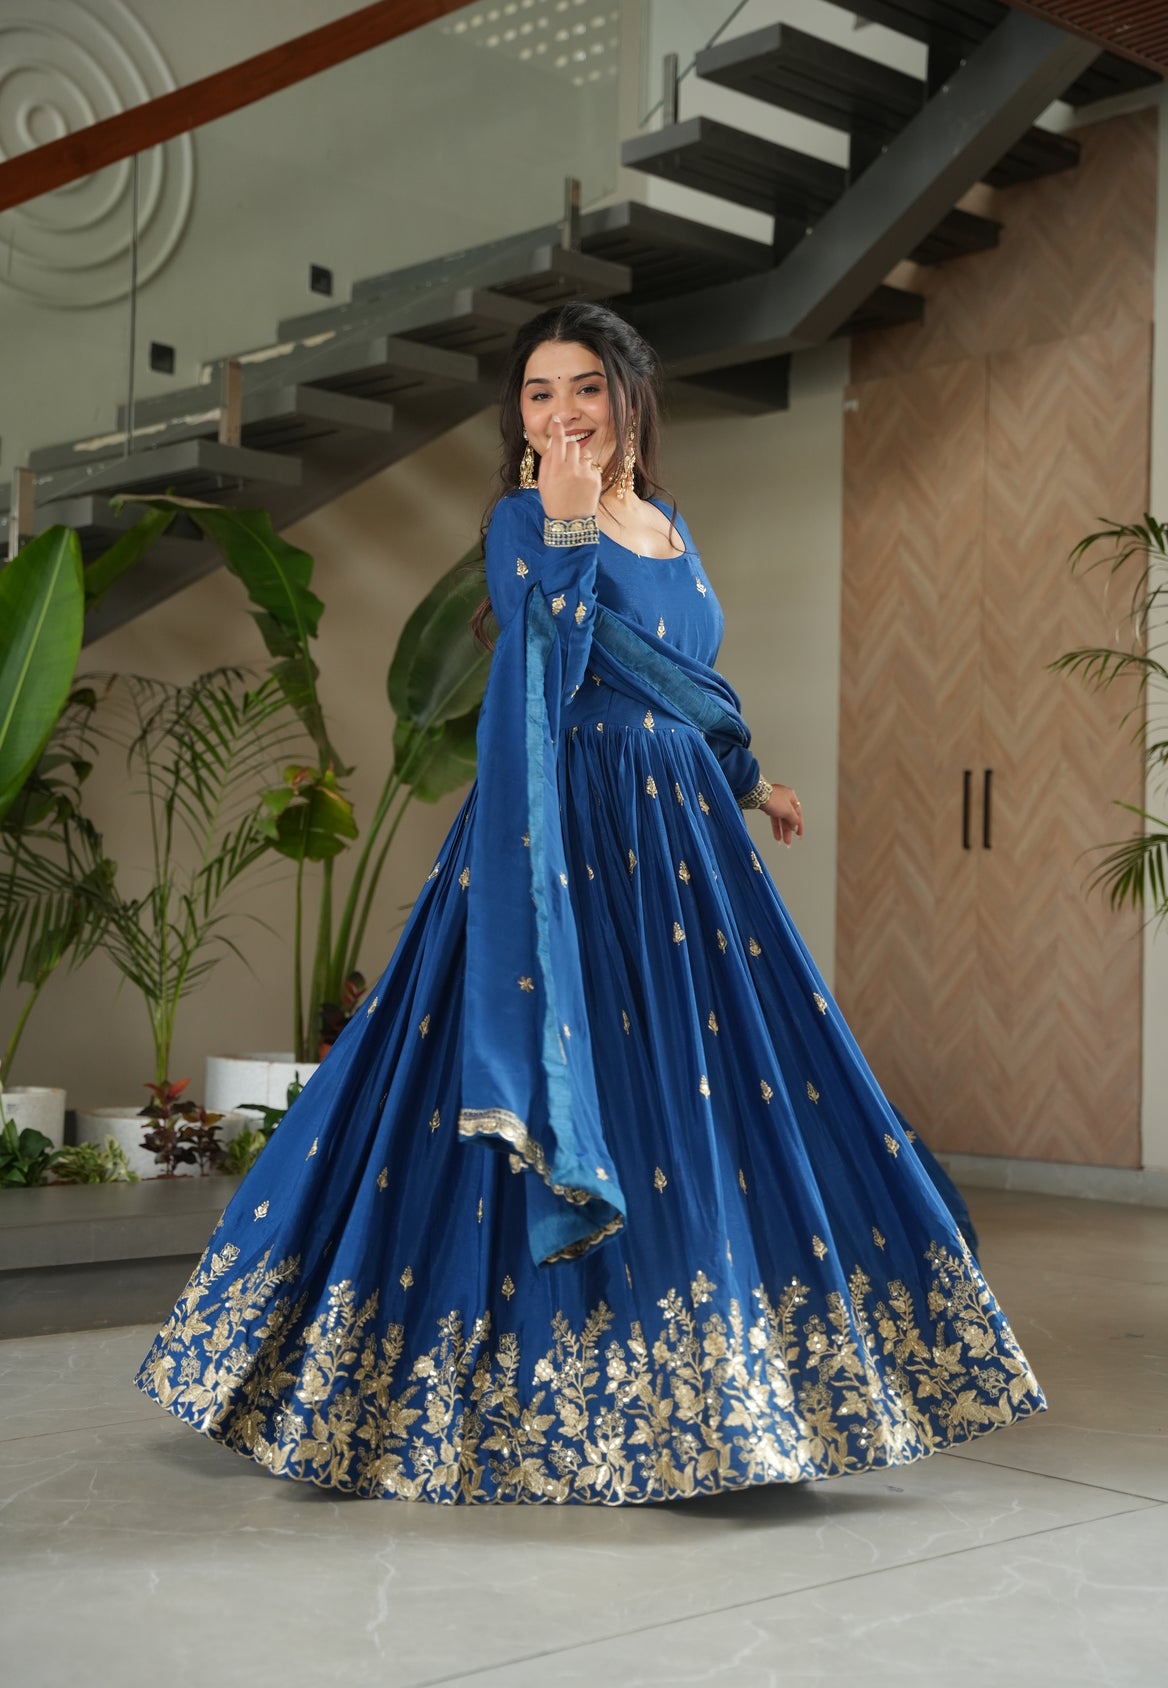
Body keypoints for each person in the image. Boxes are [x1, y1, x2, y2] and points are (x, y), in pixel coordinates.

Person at [135, 302, 1045, 1502]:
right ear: (519, 420)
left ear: (628, 398)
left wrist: (749, 780)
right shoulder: (524, 522)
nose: (561, 412)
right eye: (537, 394)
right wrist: (563, 534)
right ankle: (407, 1385)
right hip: (559, 845)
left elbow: (689, 687)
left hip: (685, 845)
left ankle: (730, 1396)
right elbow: (544, 675)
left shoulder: (671, 525)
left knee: (706, 1100)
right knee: (486, 1091)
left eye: (584, 389)